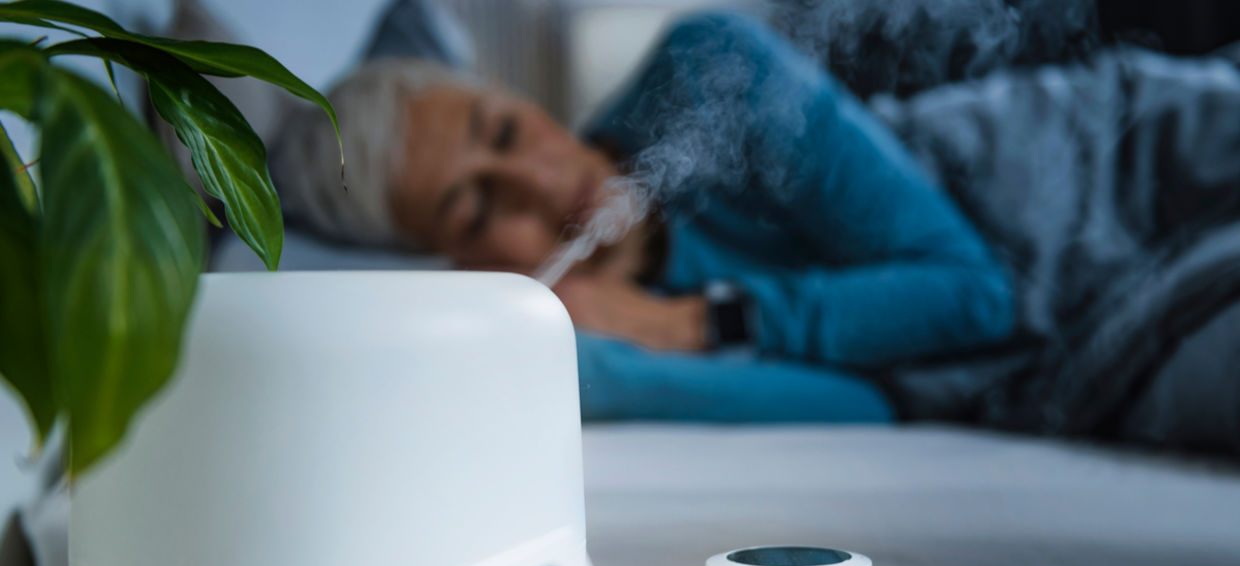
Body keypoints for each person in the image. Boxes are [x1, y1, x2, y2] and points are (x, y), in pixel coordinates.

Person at [272, 12, 1240, 446]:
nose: (539, 178)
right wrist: (604, 350)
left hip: (1146, 170)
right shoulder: (596, 351)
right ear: (453, 266)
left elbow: (969, 294)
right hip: (1116, 323)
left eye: (503, 129)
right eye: (477, 205)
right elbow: (883, 409)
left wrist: (696, 326)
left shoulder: (706, 72)